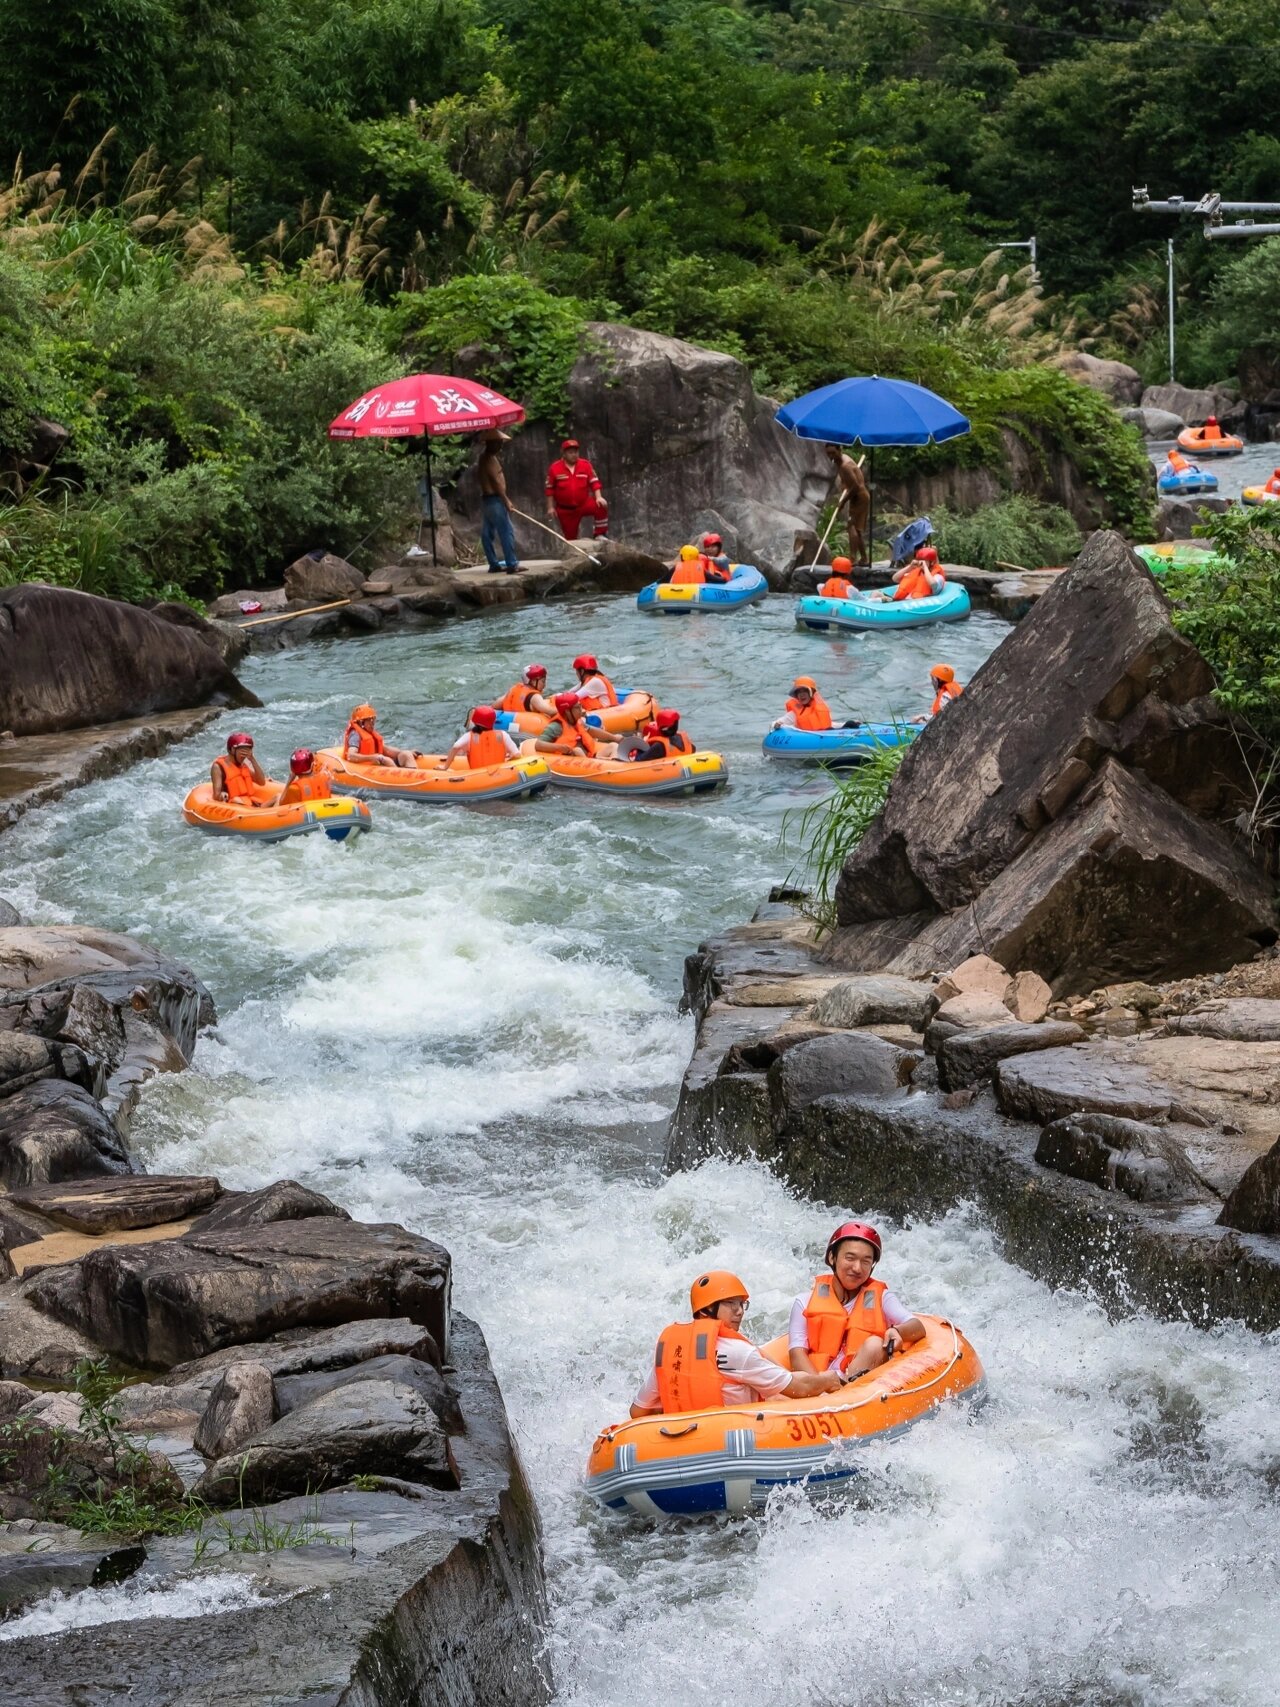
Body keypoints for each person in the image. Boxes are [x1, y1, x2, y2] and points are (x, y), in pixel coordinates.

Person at [630, 1271, 847, 1418]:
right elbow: (799, 1388)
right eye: (730, 1304)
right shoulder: (738, 1353)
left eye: (742, 1304)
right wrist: (829, 1379)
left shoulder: (668, 1351)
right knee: (778, 1396)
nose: (740, 1311)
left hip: (679, 1447)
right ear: (706, 1309)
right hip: (729, 1443)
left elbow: (637, 1412)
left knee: (773, 1394)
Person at [789, 1222, 926, 1384]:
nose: (857, 1268)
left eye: (866, 1261)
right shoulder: (804, 1302)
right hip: (819, 1383)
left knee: (875, 1344)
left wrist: (897, 1331)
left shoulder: (881, 1297)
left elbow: (917, 1326)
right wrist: (819, 1389)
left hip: (856, 1383)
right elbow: (797, 1354)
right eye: (850, 1258)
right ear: (832, 1257)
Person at [545, 438, 608, 541]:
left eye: (576, 452)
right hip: (565, 510)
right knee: (571, 539)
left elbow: (594, 482)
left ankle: (600, 534)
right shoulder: (554, 468)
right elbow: (549, 489)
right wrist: (550, 507)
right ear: (564, 454)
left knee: (601, 506)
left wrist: (599, 497)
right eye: (570, 452)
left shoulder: (585, 465)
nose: (574, 455)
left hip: (583, 503)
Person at [478, 430, 520, 574]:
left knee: (487, 532)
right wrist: (506, 500)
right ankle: (512, 563)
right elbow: (495, 482)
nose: (501, 445)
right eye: (498, 442)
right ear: (490, 443)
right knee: (506, 531)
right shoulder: (488, 459)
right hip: (494, 499)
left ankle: (494, 564)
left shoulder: (486, 458)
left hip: (489, 500)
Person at [824, 444, 871, 566]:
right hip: (859, 497)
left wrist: (843, 502)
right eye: (828, 453)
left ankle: (852, 559)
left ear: (840, 450)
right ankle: (864, 559)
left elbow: (855, 487)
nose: (830, 456)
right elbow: (849, 481)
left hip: (859, 497)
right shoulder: (841, 460)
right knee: (857, 529)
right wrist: (844, 484)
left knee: (852, 526)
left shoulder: (845, 465)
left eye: (833, 453)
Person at [534, 692, 618, 759]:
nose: (581, 710)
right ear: (567, 711)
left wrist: (614, 737)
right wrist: (559, 747)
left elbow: (591, 730)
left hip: (589, 757)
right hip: (573, 761)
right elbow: (537, 744)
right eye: (577, 707)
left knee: (614, 746)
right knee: (578, 750)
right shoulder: (556, 726)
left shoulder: (578, 722)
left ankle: (614, 764)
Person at [344, 704, 417, 769]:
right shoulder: (355, 735)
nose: (372, 723)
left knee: (406, 754)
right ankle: (402, 780)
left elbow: (385, 749)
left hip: (376, 764)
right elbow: (351, 756)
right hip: (364, 767)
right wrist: (372, 757)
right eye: (369, 720)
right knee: (387, 760)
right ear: (361, 722)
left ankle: (415, 778)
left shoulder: (370, 733)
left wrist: (405, 752)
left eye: (373, 719)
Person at [448, 706, 521, 770]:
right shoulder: (503, 734)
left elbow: (455, 746)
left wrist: (445, 767)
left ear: (475, 722)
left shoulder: (469, 736)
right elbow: (517, 755)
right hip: (499, 774)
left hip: (477, 776)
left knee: (462, 751)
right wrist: (507, 763)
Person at [210, 732, 269, 803]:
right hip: (233, 804)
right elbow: (216, 795)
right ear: (232, 750)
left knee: (278, 797)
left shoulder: (243, 765)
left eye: (247, 752)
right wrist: (222, 795)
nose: (244, 756)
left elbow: (261, 782)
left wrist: (252, 759)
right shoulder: (218, 767)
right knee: (236, 800)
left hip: (249, 804)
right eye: (242, 752)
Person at [628, 708, 695, 761]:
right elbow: (693, 749)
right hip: (683, 767)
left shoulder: (659, 746)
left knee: (620, 742)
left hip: (668, 772)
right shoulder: (683, 738)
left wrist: (639, 744)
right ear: (676, 726)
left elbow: (638, 759)